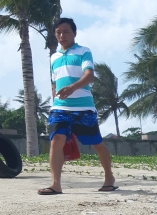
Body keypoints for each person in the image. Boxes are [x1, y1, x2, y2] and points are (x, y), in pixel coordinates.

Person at [38, 17, 116, 195]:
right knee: (56, 140)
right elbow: (54, 83)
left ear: (74, 33)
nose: (62, 35)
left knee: (96, 143)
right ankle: (55, 184)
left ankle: (109, 177)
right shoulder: (54, 57)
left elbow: (89, 76)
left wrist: (72, 88)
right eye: (58, 32)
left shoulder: (83, 51)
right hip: (60, 108)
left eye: (66, 31)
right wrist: (55, 98)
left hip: (83, 108)